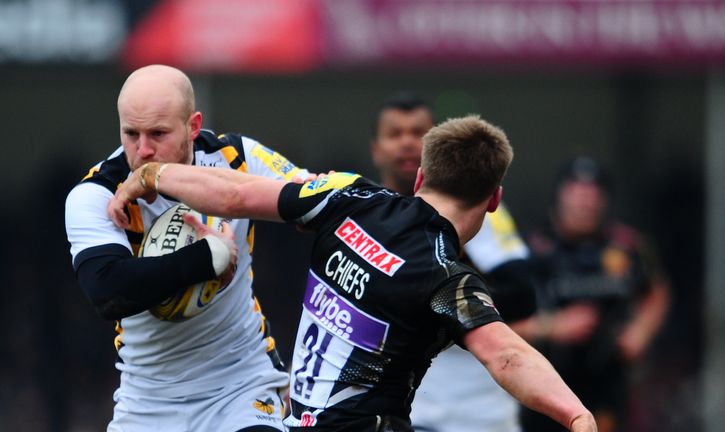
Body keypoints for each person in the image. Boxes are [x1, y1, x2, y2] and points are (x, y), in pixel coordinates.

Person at [108, 115, 598, 432]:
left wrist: (152, 175)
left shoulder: (346, 196)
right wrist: (576, 416)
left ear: (422, 177)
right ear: (493, 200)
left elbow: (237, 194)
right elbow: (507, 356)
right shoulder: (447, 278)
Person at [64, 64, 308, 432]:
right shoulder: (95, 194)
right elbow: (109, 291)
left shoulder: (235, 157)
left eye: (158, 133)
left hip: (240, 388)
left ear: (193, 126)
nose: (143, 150)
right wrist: (208, 258)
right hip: (148, 402)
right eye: (131, 133)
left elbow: (319, 201)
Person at [369, 93, 535, 432]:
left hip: (479, 410)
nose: (406, 143)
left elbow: (522, 296)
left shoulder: (480, 210)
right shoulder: (364, 213)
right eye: (394, 133)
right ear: (376, 149)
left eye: (418, 133)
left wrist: (444, 286)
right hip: (401, 411)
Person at [512, 156, 671, 432]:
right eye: (576, 193)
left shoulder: (627, 246)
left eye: (593, 194)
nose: (585, 202)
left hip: (607, 383)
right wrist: (552, 326)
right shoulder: (530, 249)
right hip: (544, 384)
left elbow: (657, 290)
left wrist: (640, 332)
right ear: (559, 197)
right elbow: (496, 322)